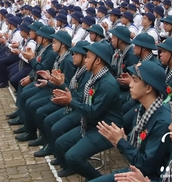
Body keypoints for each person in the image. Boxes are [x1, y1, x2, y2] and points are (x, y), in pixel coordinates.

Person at [53, 42, 123, 178]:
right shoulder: (95, 77)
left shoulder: (107, 84)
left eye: (88, 57)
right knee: (61, 143)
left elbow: (93, 111)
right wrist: (70, 98)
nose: (85, 60)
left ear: (98, 60)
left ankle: (97, 179)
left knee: (73, 157)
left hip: (105, 129)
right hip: (91, 124)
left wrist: (70, 101)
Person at [93, 61, 172, 181]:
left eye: (135, 80)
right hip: (138, 170)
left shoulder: (162, 122)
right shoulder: (142, 109)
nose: (130, 84)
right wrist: (122, 140)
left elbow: (146, 166)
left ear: (149, 88)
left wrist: (121, 142)